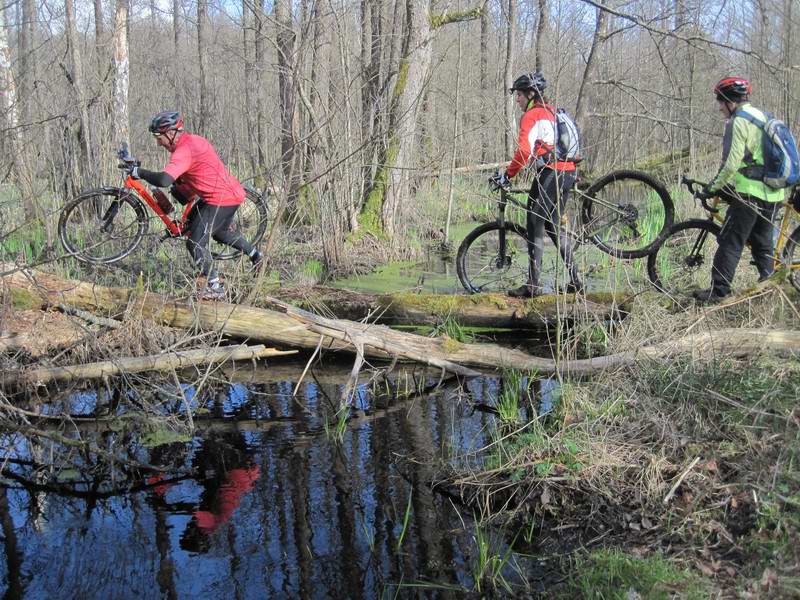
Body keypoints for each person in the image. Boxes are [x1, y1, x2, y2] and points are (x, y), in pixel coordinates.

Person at [125, 111, 263, 300]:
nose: (158, 143)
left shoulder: (184, 150)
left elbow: (164, 179)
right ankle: (256, 256)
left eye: (159, 137)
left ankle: (215, 287)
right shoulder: (192, 141)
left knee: (196, 242)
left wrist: (139, 172)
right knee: (221, 233)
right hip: (223, 194)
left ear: (171, 133)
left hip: (222, 198)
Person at [694, 77, 784, 303]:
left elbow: (731, 163)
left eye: (720, 101)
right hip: (774, 192)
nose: (719, 107)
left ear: (730, 101)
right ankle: (769, 287)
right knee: (763, 243)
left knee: (730, 241)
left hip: (751, 194)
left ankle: (718, 293)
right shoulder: (762, 116)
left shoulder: (738, 121)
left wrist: (711, 188)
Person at [495, 72, 582, 298]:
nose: (517, 100)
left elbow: (524, 151)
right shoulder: (553, 111)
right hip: (567, 172)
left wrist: (508, 175)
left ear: (531, 94)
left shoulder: (532, 116)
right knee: (552, 225)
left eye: (520, 95)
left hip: (553, 172)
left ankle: (533, 286)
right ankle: (576, 280)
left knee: (534, 221)